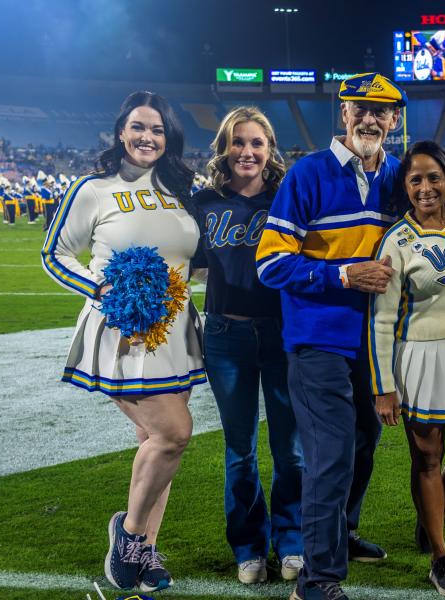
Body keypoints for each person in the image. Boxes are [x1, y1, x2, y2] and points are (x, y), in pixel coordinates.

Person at [40, 91, 204, 593]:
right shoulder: (93, 188)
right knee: (173, 433)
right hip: (123, 331)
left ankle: (146, 552)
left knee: (156, 447)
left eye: (156, 130)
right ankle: (128, 533)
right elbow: (55, 253)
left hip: (176, 331)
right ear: (120, 132)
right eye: (138, 127)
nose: (146, 138)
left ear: (168, 136)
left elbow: (189, 256)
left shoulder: (180, 187)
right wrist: (103, 289)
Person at [256, 72, 405, 600]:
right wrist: (342, 273)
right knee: (332, 454)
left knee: (365, 444)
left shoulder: (399, 178)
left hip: (377, 344)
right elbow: (271, 263)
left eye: (380, 110)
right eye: (359, 108)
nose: (369, 118)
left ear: (394, 120)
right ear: (343, 114)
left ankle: (339, 533)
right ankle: (318, 579)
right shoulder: (308, 175)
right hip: (317, 341)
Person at [368, 140, 445, 597]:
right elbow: (382, 318)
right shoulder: (396, 241)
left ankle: (430, 515)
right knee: (425, 457)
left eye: (434, 177)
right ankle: (440, 555)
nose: (426, 187)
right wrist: (384, 388)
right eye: (416, 179)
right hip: (418, 359)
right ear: (405, 186)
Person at [188, 107, 304, 585]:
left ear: (269, 148)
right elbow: (191, 264)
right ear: (224, 147)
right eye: (238, 142)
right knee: (240, 449)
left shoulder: (287, 198)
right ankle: (249, 546)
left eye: (256, 142)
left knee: (290, 447)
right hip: (225, 335)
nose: (247, 152)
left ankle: (292, 540)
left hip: (280, 333)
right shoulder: (204, 201)